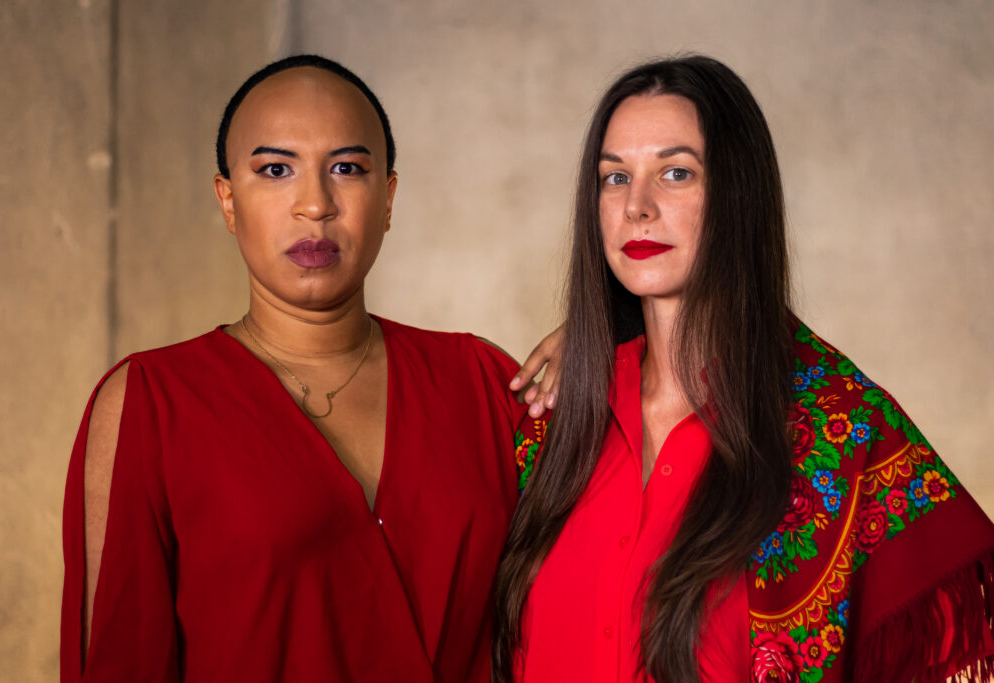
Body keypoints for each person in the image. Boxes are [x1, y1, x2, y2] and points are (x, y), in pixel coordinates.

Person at [493, 55, 994, 683]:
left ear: (737, 193)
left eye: (676, 173)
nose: (637, 207)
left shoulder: (837, 431)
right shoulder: (548, 422)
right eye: (614, 178)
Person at [60, 54, 558, 682]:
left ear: (388, 198)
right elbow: (118, 661)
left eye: (347, 168)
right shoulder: (149, 405)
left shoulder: (485, 380)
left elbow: (602, 581)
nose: (315, 205)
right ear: (228, 201)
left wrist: (610, 346)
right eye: (274, 170)